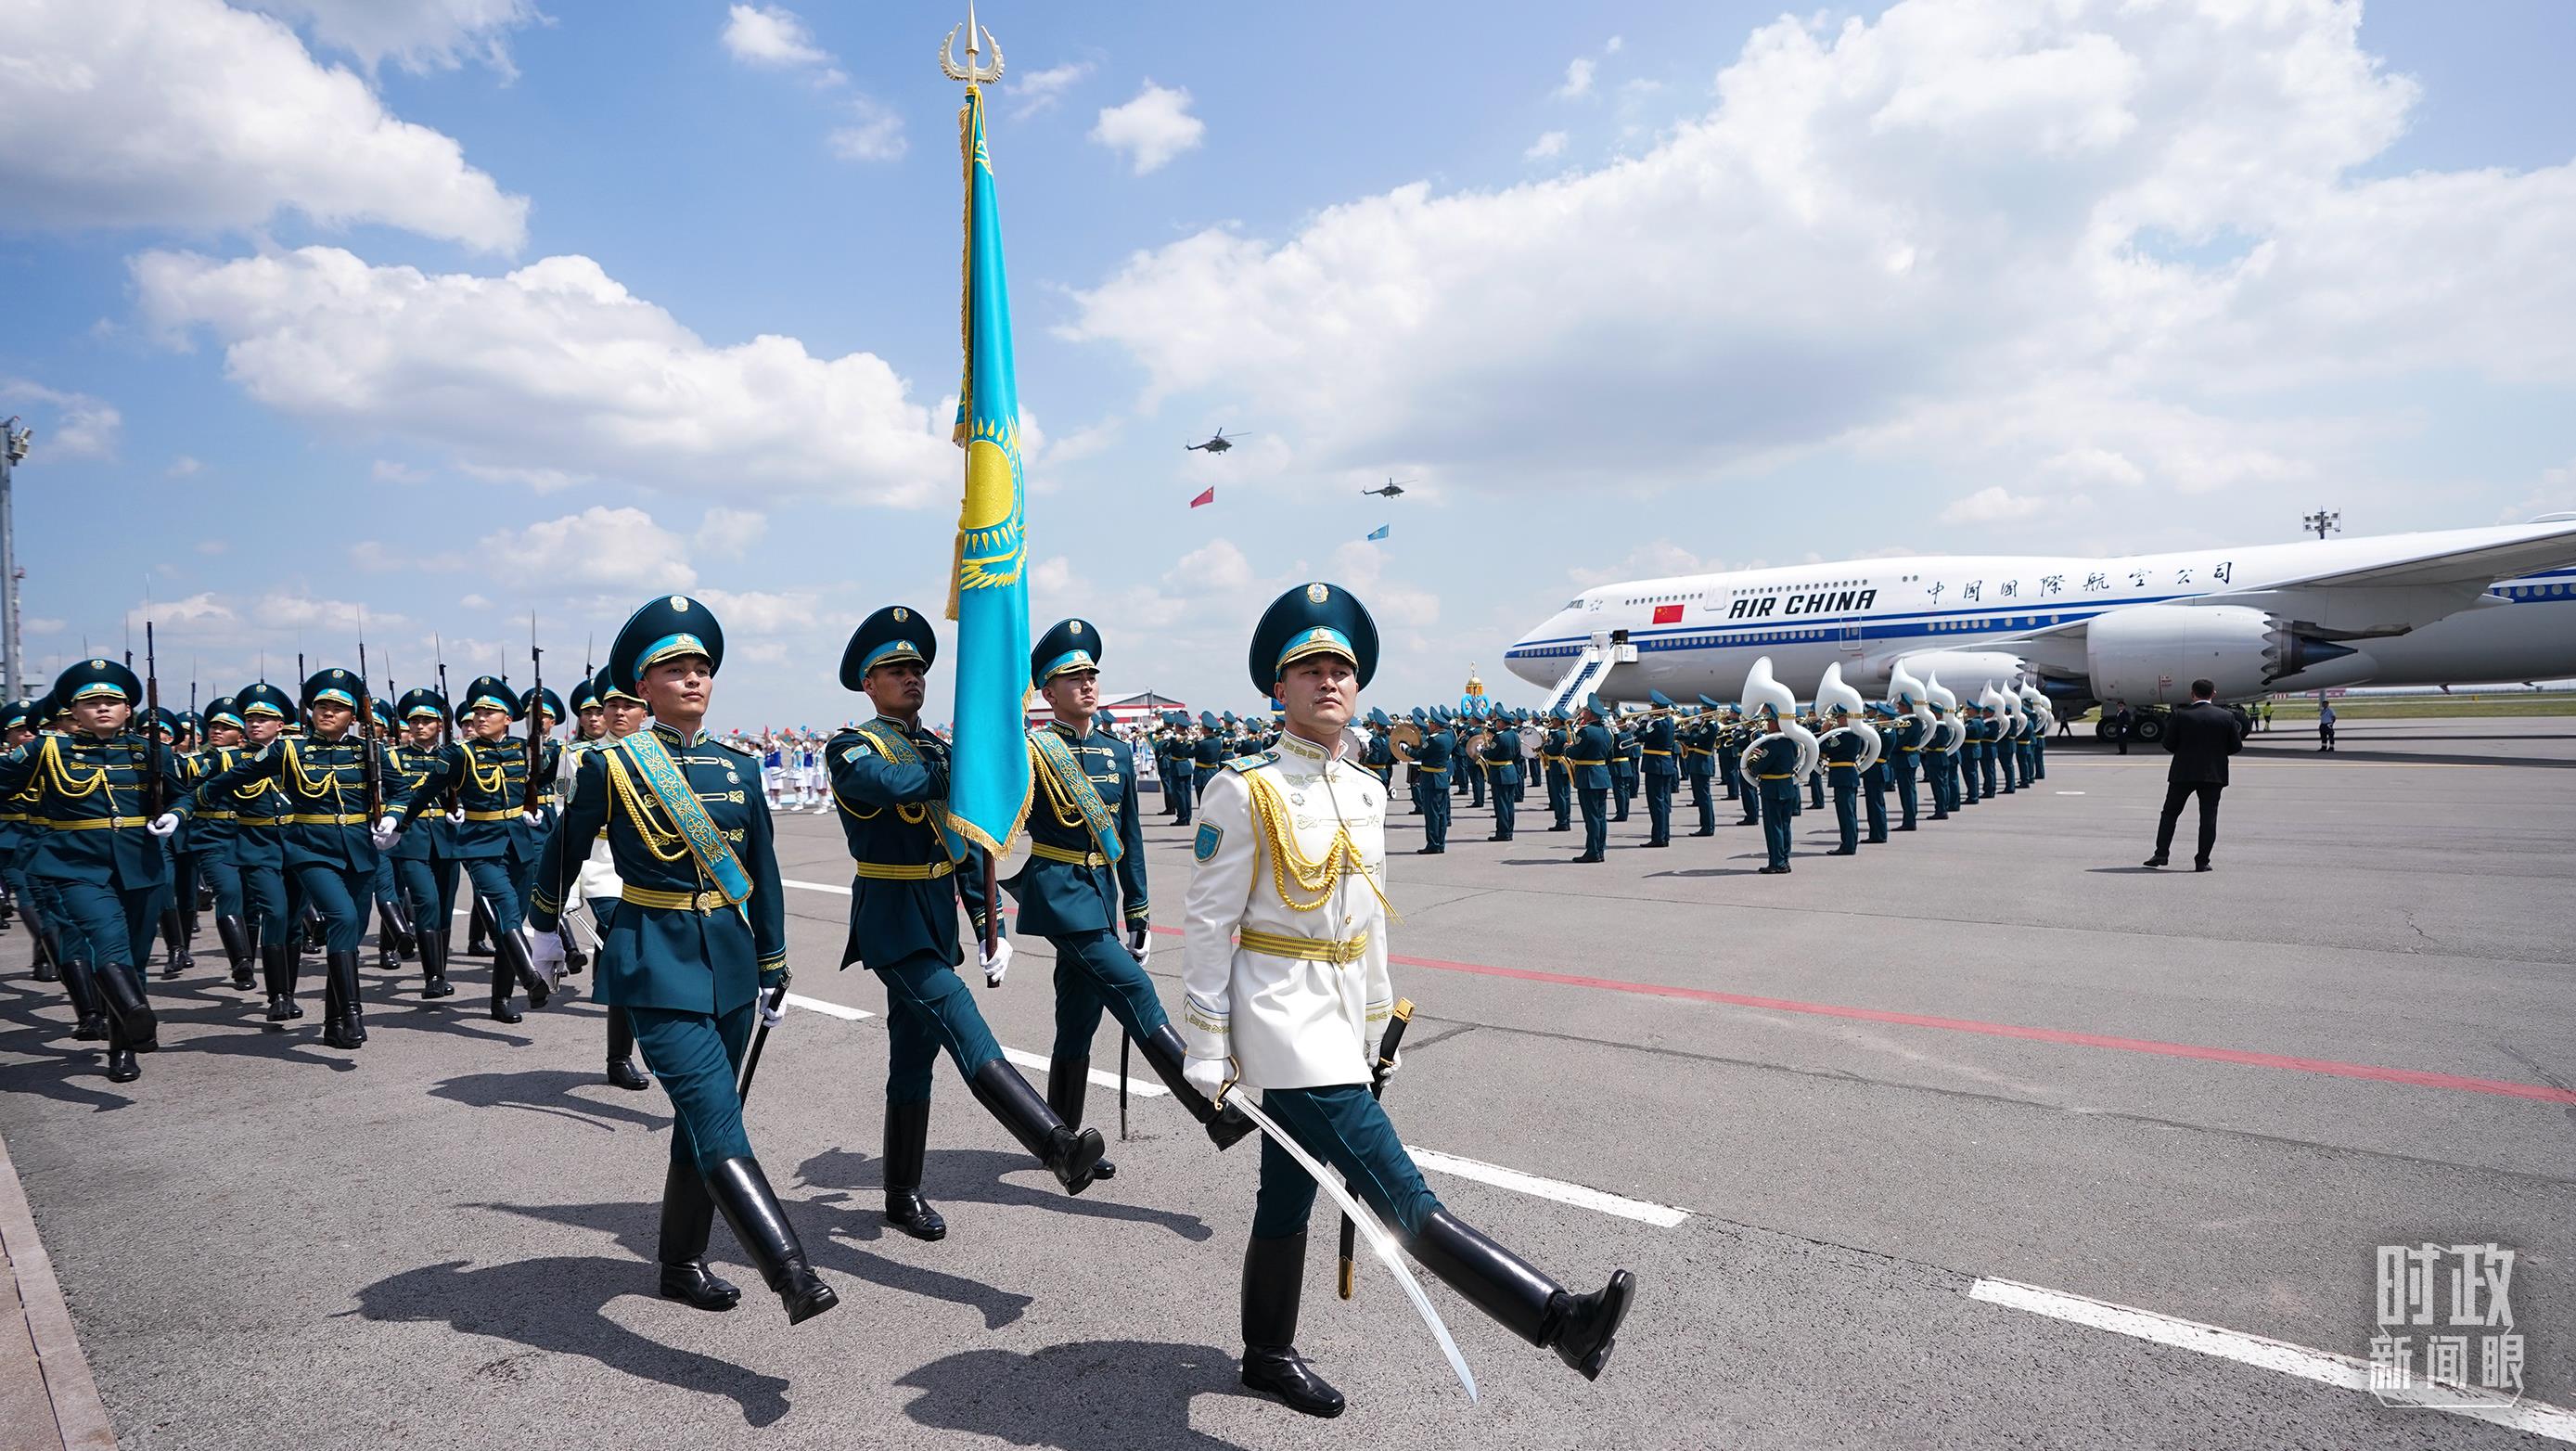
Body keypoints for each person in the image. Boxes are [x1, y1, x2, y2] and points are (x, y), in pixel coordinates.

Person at [1182, 582, 1634, 1419]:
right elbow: (1208, 924)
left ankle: (1265, 1354)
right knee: (1401, 1194)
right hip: (1280, 1019)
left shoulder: (1364, 788)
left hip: (1338, 1015)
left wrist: (1376, 1026)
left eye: (1340, 671)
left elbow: (1368, 922)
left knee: (1285, 1194)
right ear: (1277, 688)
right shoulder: (1243, 789)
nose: (1328, 682)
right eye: (1308, 670)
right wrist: (1206, 1045)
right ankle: (1557, 1320)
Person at [523, 596, 836, 1325]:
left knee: (701, 1120)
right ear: (643, 686)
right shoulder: (612, 766)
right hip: (654, 958)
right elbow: (563, 849)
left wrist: (773, 963)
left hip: (728, 958)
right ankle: (791, 1273)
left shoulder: (738, 768)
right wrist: (543, 927)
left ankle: (679, 1263)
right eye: (674, 670)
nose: (693, 679)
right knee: (715, 1110)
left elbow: (763, 872)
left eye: (701, 668)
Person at [830, 605, 1106, 1243]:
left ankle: (901, 1194)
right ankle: (1055, 1142)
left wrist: (989, 927)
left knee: (912, 1060)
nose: (912, 678)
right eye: (896, 671)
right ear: (868, 684)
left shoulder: (939, 749)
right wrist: (971, 760)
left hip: (934, 920)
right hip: (890, 920)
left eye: (918, 670)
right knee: (960, 1020)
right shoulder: (851, 747)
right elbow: (892, 785)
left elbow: (965, 847)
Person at [1015, 619, 1252, 1183]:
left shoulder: (1117, 752)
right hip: (1059, 892)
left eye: (1091, 675)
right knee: (1137, 991)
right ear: (1048, 693)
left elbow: (1129, 838)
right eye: (1072, 678)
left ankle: (1063, 1148)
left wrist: (1138, 909)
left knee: (1077, 1020)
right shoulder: (1031, 751)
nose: (1087, 685)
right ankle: (1211, 1112)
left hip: (1099, 897)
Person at [0, 661, 188, 1083]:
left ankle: (124, 1044)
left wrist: (176, 814)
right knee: (107, 940)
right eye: (91, 702)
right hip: (77, 865)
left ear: (128, 709)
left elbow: (184, 796)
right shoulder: (46, 750)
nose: (102, 708)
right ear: (74, 711)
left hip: (140, 863)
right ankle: (134, 1018)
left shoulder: (150, 751)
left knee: (136, 955)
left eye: (111, 701)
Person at [397, 675, 555, 1022]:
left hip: (520, 845)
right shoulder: (460, 754)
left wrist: (535, 807)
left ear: (508, 719)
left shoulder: (524, 750)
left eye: (490, 712)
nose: (481, 718)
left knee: (511, 922)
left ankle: (501, 1000)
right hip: (480, 846)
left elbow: (547, 776)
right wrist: (399, 825)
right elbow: (426, 791)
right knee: (506, 908)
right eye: (478, 712)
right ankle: (531, 977)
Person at [2144, 678, 2246, 873]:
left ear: (2192, 694)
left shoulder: (2180, 715)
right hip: (2213, 774)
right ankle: (2202, 861)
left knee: (2170, 814)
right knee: (2208, 818)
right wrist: (2216, 753)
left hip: (2183, 772)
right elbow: (2236, 746)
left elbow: (2168, 743)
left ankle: (2161, 853)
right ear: (2213, 693)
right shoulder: (2226, 716)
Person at [1745, 708, 1803, 874]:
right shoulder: (1790, 742)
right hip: (1786, 786)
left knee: (1773, 827)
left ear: (1777, 723)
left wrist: (1753, 765)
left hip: (1772, 788)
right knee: (1785, 826)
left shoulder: (1772, 744)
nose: (1768, 724)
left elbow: (1760, 767)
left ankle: (1777, 863)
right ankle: (1784, 860)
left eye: (1770, 721)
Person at [1567, 700, 1613, 863]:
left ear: (1591, 714)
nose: (1582, 713)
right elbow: (1610, 757)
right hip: (1602, 776)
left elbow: (1574, 753)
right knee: (1600, 816)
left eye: (1585, 711)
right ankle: (1599, 849)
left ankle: (1593, 851)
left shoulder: (1585, 732)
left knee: (1591, 817)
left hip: (1588, 778)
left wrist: (1567, 748)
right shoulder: (1608, 733)